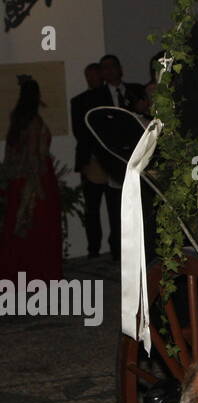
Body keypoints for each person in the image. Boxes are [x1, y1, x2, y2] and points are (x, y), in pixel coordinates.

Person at [84, 54, 148, 258]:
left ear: (120, 69)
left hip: (138, 157)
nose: (109, 71)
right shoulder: (95, 97)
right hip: (111, 160)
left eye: (113, 66)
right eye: (105, 68)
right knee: (115, 207)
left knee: (141, 204)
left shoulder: (136, 90)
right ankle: (117, 250)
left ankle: (143, 247)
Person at [1, 76, 62, 281]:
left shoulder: (16, 118)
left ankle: (18, 273)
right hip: (35, 179)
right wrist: (37, 188)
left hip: (16, 180)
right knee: (38, 228)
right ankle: (39, 274)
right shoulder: (34, 121)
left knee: (16, 225)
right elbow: (35, 156)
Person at [70, 62, 108, 257]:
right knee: (91, 209)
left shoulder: (110, 96)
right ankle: (93, 248)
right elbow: (80, 133)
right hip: (90, 161)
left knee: (115, 207)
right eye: (88, 76)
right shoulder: (78, 102)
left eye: (93, 75)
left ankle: (117, 248)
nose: (90, 79)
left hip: (111, 162)